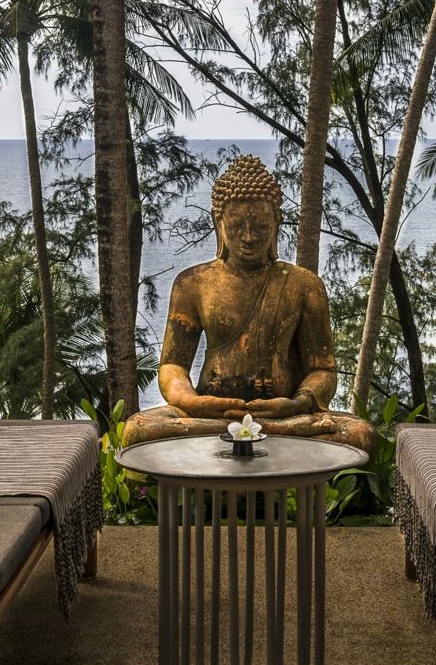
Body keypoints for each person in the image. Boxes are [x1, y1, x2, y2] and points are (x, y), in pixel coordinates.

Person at [121, 155, 375, 453]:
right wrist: (191, 400)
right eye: (237, 224)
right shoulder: (192, 283)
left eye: (261, 225)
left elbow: (323, 369)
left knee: (361, 435)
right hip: (211, 415)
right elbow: (173, 364)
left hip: (285, 414)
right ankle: (273, 433)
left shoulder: (303, 284)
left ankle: (275, 429)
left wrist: (300, 401)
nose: (249, 236)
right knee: (138, 431)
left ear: (277, 222)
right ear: (219, 222)